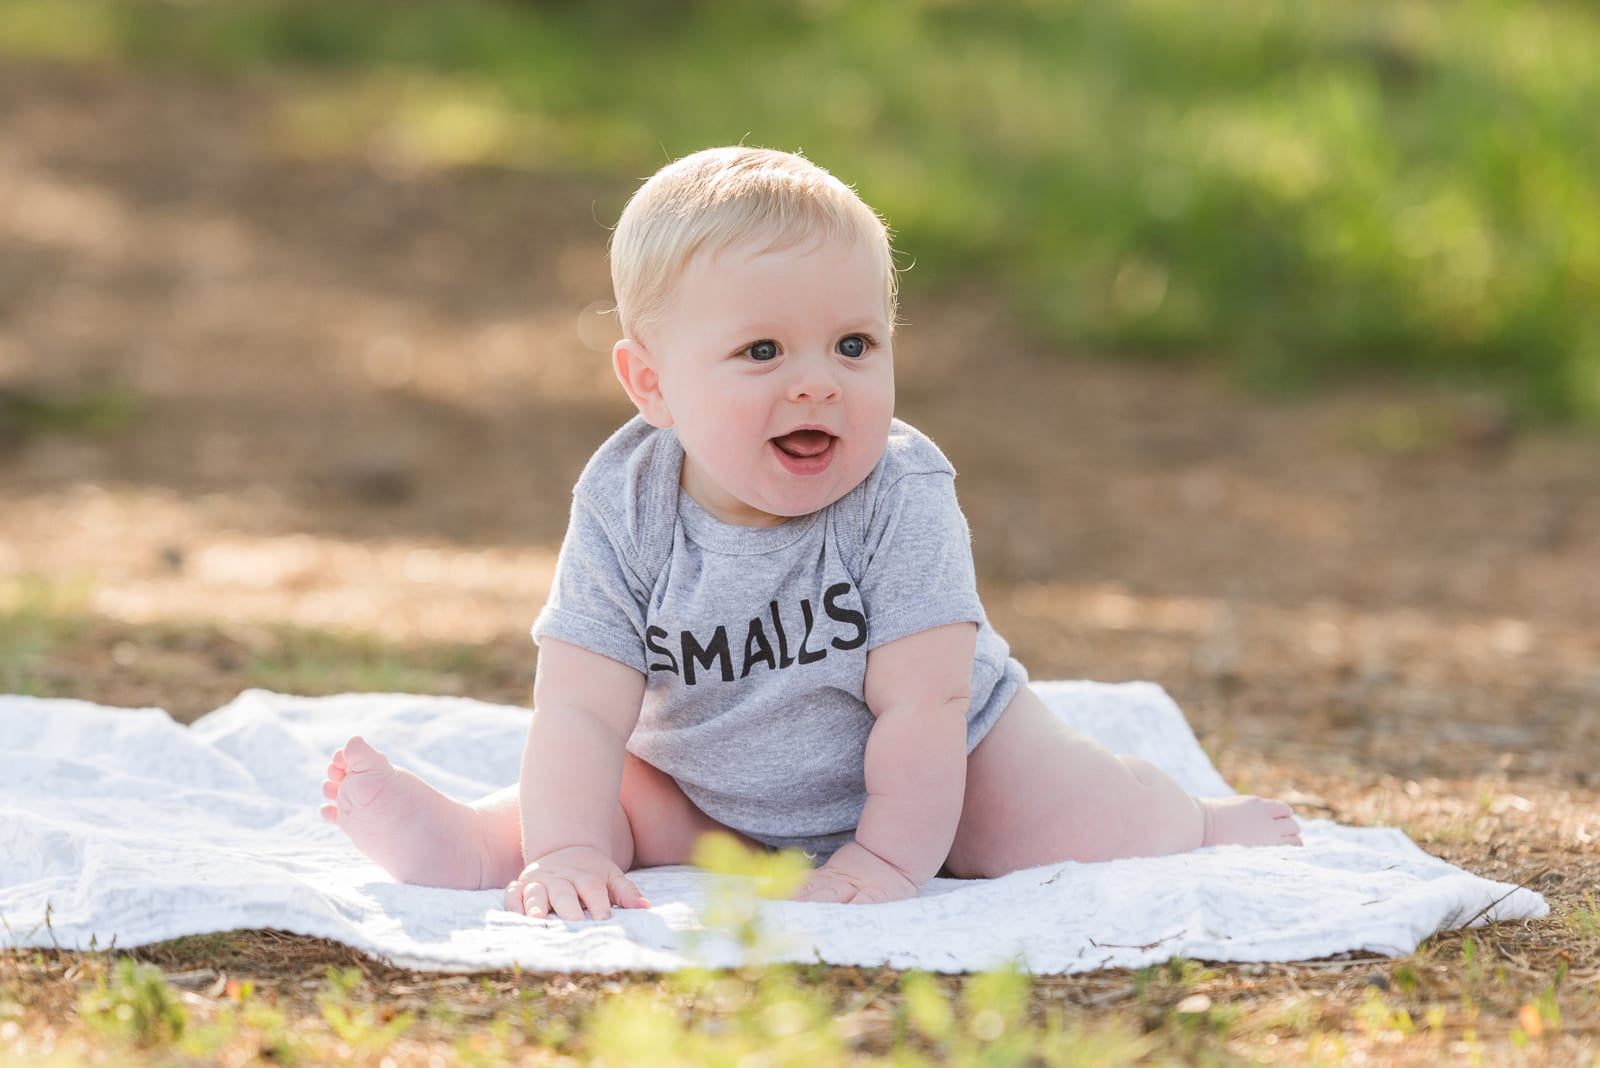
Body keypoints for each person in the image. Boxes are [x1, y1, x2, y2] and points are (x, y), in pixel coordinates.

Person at [320, 146, 1301, 922]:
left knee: (1062, 820)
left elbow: (926, 703)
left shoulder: (900, 492)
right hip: (713, 789)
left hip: (945, 762)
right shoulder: (624, 502)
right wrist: (566, 847)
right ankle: (468, 846)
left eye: (853, 344)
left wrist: (885, 858)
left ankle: (1198, 822)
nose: (817, 381)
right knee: (600, 796)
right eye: (761, 350)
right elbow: (578, 709)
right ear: (652, 385)